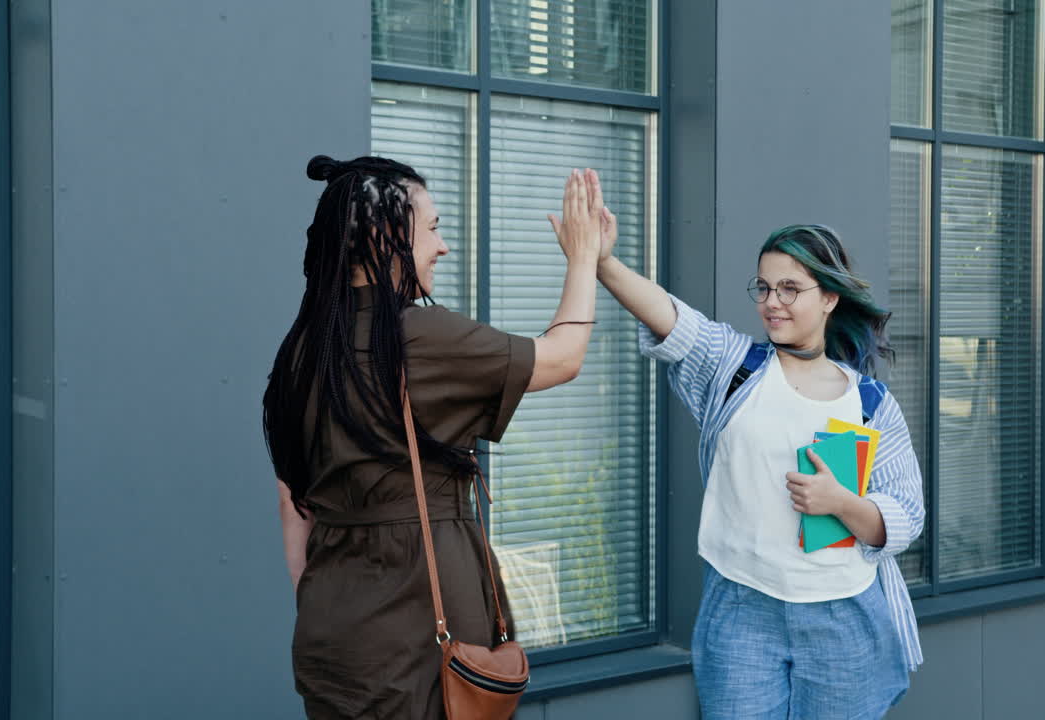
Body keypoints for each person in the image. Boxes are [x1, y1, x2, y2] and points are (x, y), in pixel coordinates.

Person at [262, 155, 602, 719]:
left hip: (331, 626)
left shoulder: (302, 349)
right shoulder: (419, 336)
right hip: (420, 624)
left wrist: (320, 600)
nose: (442, 247)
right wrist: (584, 256)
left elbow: (290, 498)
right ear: (386, 234)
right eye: (435, 228)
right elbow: (562, 359)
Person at [592, 178, 923, 719]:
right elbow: (673, 320)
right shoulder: (735, 369)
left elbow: (906, 515)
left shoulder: (869, 402)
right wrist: (604, 262)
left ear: (830, 299)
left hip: (843, 617)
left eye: (791, 289)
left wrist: (839, 502)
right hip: (742, 608)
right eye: (765, 288)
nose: (772, 303)